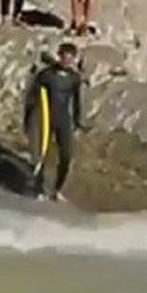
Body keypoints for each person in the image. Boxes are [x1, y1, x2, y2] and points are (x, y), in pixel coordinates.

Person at [23, 42, 87, 201]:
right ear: (59, 56)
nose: (67, 61)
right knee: (40, 156)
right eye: (64, 57)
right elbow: (31, 97)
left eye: (70, 58)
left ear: (74, 59)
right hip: (44, 118)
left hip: (63, 119)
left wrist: (78, 122)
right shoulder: (46, 75)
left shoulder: (74, 78)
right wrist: (28, 119)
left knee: (67, 156)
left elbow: (77, 102)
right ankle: (39, 190)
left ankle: (57, 190)